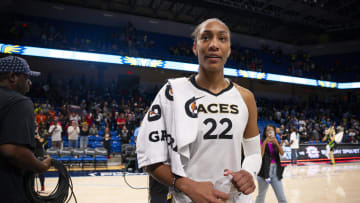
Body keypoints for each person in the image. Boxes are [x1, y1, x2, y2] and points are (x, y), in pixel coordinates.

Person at [136, 18, 262, 203]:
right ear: (195, 47)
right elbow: (149, 156)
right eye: (205, 38)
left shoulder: (245, 97)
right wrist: (187, 185)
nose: (214, 45)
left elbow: (253, 153)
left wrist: (248, 172)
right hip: (186, 199)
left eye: (222, 39)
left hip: (235, 199)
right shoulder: (172, 92)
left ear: (228, 50)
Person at [0, 55, 52, 202]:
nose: (29, 82)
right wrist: (41, 166)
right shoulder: (19, 102)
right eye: (26, 77)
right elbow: (13, 151)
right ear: (12, 77)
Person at [255, 125, 287, 203]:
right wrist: (265, 142)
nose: (269, 132)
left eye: (271, 130)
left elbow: (282, 153)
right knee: (261, 197)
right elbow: (260, 156)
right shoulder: (261, 141)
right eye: (267, 130)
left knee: (282, 197)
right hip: (264, 171)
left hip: (275, 171)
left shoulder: (276, 141)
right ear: (265, 132)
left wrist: (277, 143)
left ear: (274, 132)